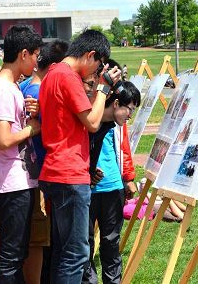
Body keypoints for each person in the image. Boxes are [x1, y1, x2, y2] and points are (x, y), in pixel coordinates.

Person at [39, 29, 121, 282]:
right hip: (69, 175)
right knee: (76, 253)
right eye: (97, 68)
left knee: (62, 252)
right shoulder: (68, 77)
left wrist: (97, 86)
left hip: (54, 171)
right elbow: (93, 122)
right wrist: (104, 89)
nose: (96, 75)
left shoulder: (52, 73)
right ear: (91, 55)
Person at [0, 25, 42, 283]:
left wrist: (26, 114)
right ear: (24, 54)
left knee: (16, 252)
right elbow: (4, 139)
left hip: (16, 179)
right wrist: (32, 128)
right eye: (36, 55)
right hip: (11, 182)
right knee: (11, 253)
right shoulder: (4, 89)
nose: (37, 62)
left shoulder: (11, 88)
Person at [83, 75, 141, 284]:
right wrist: (88, 169)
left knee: (111, 243)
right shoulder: (90, 117)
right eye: (130, 109)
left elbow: (124, 149)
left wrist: (128, 178)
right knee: (85, 245)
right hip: (87, 190)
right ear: (116, 103)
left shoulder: (116, 124)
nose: (130, 116)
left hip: (112, 187)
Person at [19, 39, 69, 284]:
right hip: (45, 171)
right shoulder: (41, 90)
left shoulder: (24, 86)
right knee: (44, 238)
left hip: (30, 169)